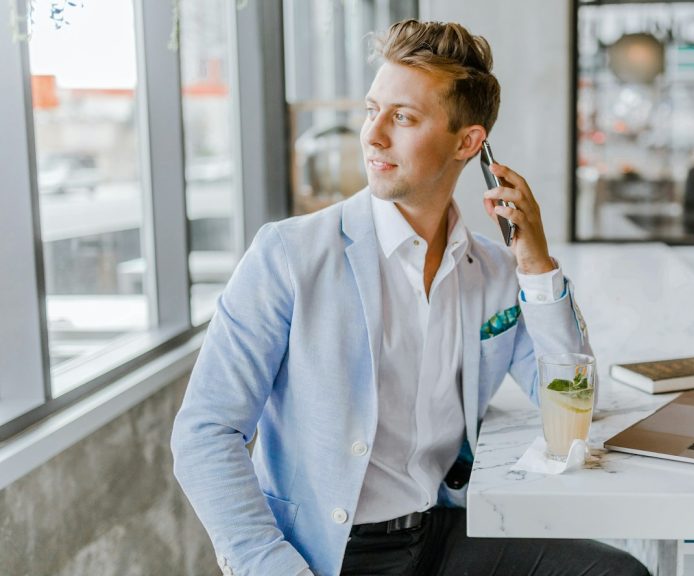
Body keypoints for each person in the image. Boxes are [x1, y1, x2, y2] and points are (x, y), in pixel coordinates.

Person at [171, 19, 649, 576]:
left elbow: (569, 405)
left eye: (403, 117)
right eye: (372, 110)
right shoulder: (288, 256)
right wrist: (271, 565)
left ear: (469, 142)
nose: (372, 136)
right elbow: (205, 434)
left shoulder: (493, 273)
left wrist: (534, 264)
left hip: (440, 532)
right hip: (327, 552)